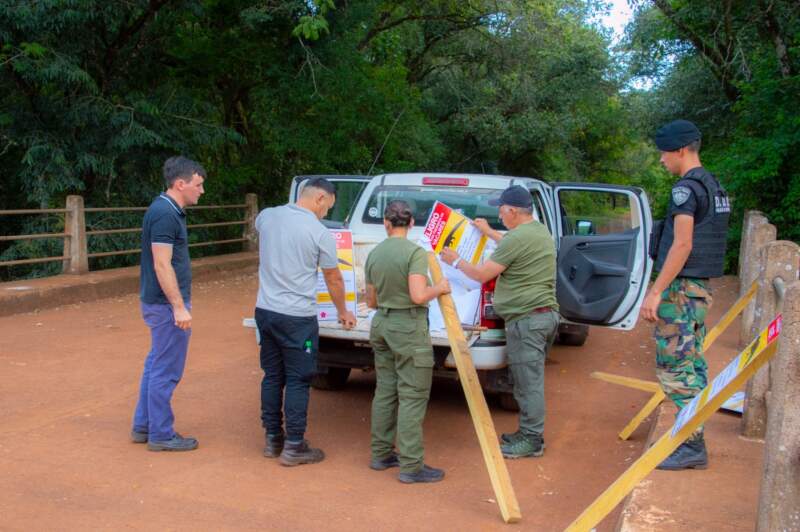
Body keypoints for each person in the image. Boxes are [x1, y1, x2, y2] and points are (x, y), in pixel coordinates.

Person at [440, 185, 558, 459]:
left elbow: (481, 274)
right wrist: (488, 232)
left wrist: (456, 261)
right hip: (538, 317)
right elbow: (509, 242)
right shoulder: (536, 231)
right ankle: (526, 432)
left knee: (528, 382)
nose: (498, 214)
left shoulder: (517, 239)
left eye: (501, 210)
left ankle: (532, 439)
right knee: (525, 379)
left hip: (529, 320)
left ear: (512, 211)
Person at [641, 119, 731, 470]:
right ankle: (691, 434)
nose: (662, 160)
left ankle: (691, 444)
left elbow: (682, 243)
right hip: (698, 290)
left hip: (680, 291)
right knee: (693, 362)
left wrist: (656, 290)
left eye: (664, 153)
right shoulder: (713, 185)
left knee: (675, 366)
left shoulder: (685, 190)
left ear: (680, 150)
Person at [255, 177, 357, 467]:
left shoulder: (266, 216)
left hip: (265, 310)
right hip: (298, 317)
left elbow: (263, 236)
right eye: (328, 208)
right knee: (299, 379)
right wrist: (344, 311)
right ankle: (295, 445)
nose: (327, 214)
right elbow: (333, 277)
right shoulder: (318, 231)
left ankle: (273, 438)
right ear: (320, 199)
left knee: (272, 375)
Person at [365, 200, 450, 483]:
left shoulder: (375, 253)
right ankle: (412, 466)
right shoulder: (415, 253)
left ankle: (380, 453)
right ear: (412, 223)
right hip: (408, 327)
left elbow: (372, 301)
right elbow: (417, 295)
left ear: (386, 224)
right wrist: (438, 288)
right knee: (412, 395)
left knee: (385, 390)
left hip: (382, 325)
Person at [132, 156, 206, 452]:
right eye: (198, 185)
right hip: (165, 305)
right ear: (180, 184)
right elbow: (162, 265)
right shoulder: (165, 214)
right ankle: (161, 434)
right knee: (166, 369)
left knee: (155, 365)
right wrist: (178, 306)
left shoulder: (166, 210)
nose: (201, 191)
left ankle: (144, 426)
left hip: (158, 302)